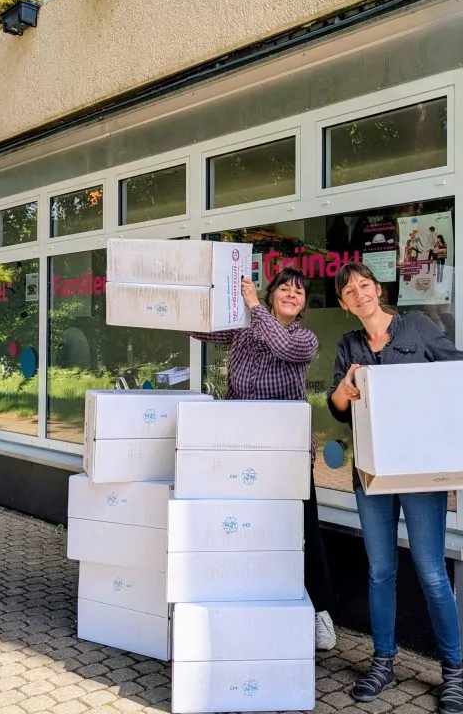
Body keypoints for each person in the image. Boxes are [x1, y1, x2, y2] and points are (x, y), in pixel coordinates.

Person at [326, 261, 463, 714]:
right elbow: (336, 407)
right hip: (369, 475)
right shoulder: (348, 345)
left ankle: (454, 671)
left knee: (430, 570)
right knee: (380, 571)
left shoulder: (417, 327)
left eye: (364, 285)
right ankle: (383, 661)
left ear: (377, 288)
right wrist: (344, 392)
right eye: (349, 291)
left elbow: (458, 372)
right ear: (345, 304)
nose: (359, 294)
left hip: (418, 472)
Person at [188, 266, 337, 650]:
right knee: (246, 527)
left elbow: (281, 346)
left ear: (303, 305)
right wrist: (180, 301)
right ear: (273, 294)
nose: (291, 294)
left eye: (299, 292)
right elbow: (202, 329)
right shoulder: (243, 330)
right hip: (240, 447)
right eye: (284, 288)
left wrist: (254, 306)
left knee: (303, 530)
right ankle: (247, 603)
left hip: (286, 452)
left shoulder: (304, 339)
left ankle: (320, 612)